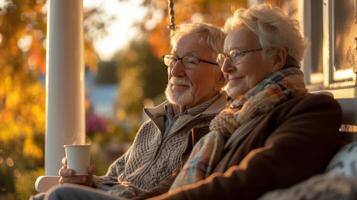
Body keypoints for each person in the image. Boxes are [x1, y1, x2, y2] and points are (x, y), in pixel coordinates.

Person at [151, 4, 344, 200]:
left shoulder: (313, 110)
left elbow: (254, 179)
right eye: (223, 57)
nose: (225, 68)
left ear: (277, 58)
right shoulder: (234, 116)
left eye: (236, 54)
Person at [30, 23, 226, 200]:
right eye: (174, 59)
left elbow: (173, 190)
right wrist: (88, 182)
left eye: (191, 61)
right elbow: (114, 176)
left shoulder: (213, 129)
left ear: (222, 77)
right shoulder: (153, 125)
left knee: (59, 195)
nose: (175, 70)